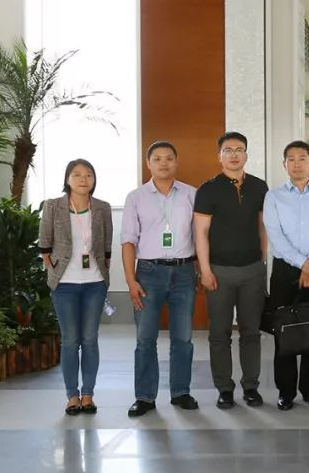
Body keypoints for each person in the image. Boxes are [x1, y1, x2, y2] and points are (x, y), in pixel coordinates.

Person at [121, 141, 199, 417]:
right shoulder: (136, 197)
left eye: (168, 158)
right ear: (148, 163)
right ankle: (144, 397)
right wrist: (130, 280)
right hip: (148, 274)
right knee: (145, 338)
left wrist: (203, 269)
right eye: (157, 158)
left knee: (183, 338)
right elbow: (128, 241)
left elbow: (201, 236)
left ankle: (180, 392)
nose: (163, 163)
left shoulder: (191, 194)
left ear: (176, 162)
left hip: (184, 272)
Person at [193, 131, 269, 410]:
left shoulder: (259, 187)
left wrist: (262, 263)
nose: (234, 155)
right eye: (228, 150)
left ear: (246, 155)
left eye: (239, 150)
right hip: (219, 272)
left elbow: (262, 228)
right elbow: (201, 233)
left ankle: (251, 387)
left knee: (251, 332)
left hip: (252, 271)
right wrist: (205, 270)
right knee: (219, 334)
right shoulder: (208, 189)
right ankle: (224, 389)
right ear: (219, 156)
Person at [263, 141, 309, 411]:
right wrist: (302, 263)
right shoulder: (273, 197)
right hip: (285, 270)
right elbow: (275, 235)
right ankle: (286, 391)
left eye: (302, 158)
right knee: (284, 331)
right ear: (284, 164)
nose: (297, 163)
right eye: (291, 159)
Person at [38, 159, 113, 416]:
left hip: (94, 284)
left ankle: (88, 395)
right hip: (64, 284)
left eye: (89, 175)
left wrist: (104, 268)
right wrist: (52, 267)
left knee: (90, 339)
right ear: (67, 179)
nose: (83, 179)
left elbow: (107, 244)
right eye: (77, 174)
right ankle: (72, 396)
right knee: (70, 340)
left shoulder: (102, 207)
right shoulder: (53, 206)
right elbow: (45, 242)